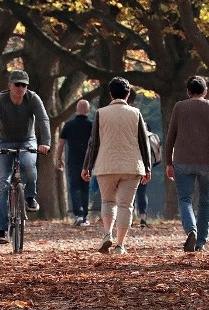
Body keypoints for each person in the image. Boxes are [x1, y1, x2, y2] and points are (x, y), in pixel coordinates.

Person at [82, 77, 151, 255]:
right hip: (131, 165)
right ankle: (120, 245)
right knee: (125, 205)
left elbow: (93, 143)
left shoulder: (101, 113)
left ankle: (107, 234)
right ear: (128, 94)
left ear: (111, 94)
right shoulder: (136, 113)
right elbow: (144, 143)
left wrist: (87, 166)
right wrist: (148, 167)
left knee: (108, 201)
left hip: (106, 165)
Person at [0, 69, 51, 244]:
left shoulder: (33, 98)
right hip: (3, 142)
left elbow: (43, 120)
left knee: (28, 165)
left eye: (24, 85)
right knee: (1, 185)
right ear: (9, 85)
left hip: (27, 141)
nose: (21, 88)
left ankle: (30, 196)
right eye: (17, 84)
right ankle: (1, 230)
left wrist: (46, 143)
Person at [164, 75, 209, 252]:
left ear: (188, 91)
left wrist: (168, 162)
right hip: (207, 161)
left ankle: (190, 229)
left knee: (185, 199)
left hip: (182, 160)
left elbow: (170, 138)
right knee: (205, 201)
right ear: (205, 91)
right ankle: (201, 242)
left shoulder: (179, 107)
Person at [58, 99, 94, 226]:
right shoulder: (92, 125)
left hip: (73, 161)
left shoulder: (68, 125)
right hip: (88, 161)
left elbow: (61, 143)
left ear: (76, 109)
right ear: (88, 110)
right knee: (85, 188)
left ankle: (78, 214)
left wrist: (58, 158)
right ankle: (84, 216)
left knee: (74, 187)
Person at [134, 121, 155, 228]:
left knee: (129, 192)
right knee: (142, 192)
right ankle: (143, 217)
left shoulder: (132, 135)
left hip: (132, 167)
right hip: (145, 168)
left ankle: (129, 217)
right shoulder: (150, 137)